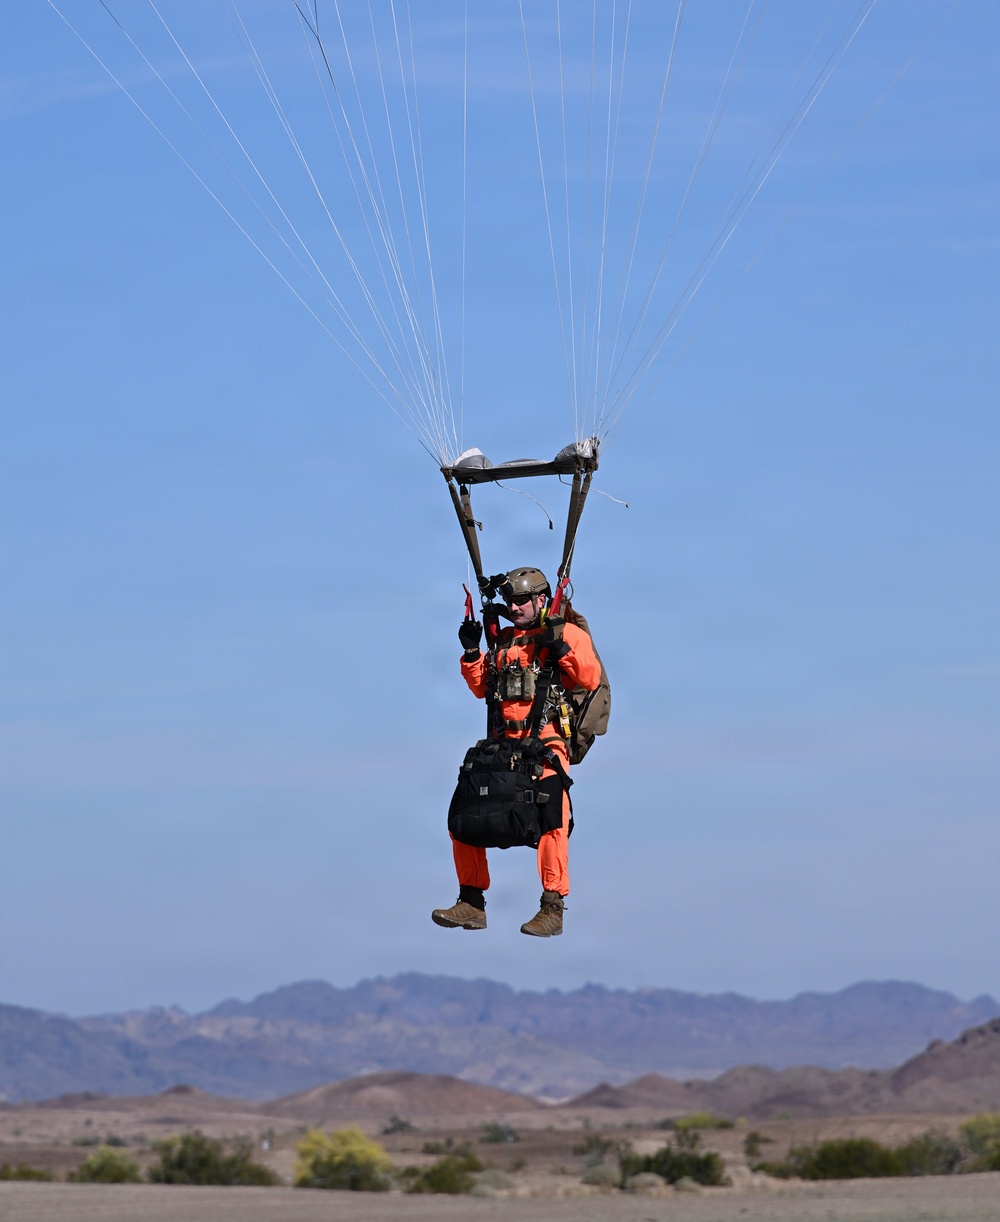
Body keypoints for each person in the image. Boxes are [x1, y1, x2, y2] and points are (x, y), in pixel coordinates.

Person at [432, 567, 601, 937]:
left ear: (541, 599)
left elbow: (589, 678)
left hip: (545, 746)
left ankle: (552, 906)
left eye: (521, 600)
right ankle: (471, 902)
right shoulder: (505, 642)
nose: (513, 606)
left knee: (552, 821)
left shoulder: (565, 633)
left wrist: (559, 646)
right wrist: (473, 651)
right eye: (510, 601)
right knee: (463, 817)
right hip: (503, 747)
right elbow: (481, 688)